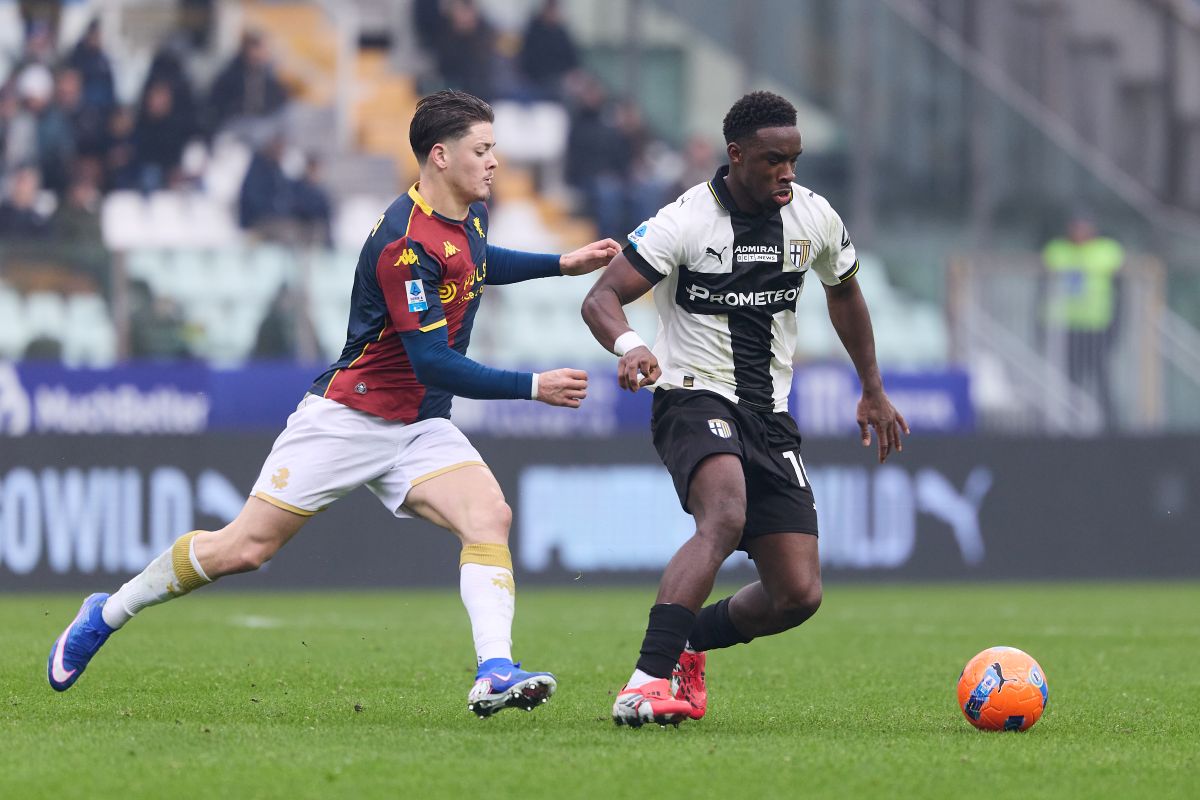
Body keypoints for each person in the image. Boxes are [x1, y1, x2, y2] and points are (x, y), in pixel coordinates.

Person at [47, 89, 622, 719]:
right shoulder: (403, 245)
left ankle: (493, 671)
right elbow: (433, 361)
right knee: (244, 549)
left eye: (494, 150)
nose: (493, 163)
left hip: (418, 424)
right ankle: (106, 612)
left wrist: (561, 264)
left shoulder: (467, 214)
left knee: (489, 517)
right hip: (349, 419)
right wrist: (532, 386)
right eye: (482, 150)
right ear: (439, 156)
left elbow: (478, 262)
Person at [581, 91, 908, 727]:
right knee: (724, 514)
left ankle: (685, 645)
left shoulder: (814, 217)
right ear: (736, 155)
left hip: (770, 414)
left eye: (795, 159)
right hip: (691, 394)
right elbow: (601, 299)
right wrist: (630, 344)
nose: (787, 172)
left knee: (798, 594)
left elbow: (845, 295)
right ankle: (645, 681)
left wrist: (872, 386)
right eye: (773, 160)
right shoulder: (683, 222)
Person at [1041, 212, 1123, 427]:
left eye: (1084, 227)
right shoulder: (1058, 251)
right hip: (1067, 326)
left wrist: (1116, 327)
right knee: (1071, 379)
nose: (1079, 232)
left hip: (1097, 326)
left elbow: (1119, 291)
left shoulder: (1106, 251)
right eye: (1076, 227)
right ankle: (1071, 421)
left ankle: (1111, 424)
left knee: (1101, 378)